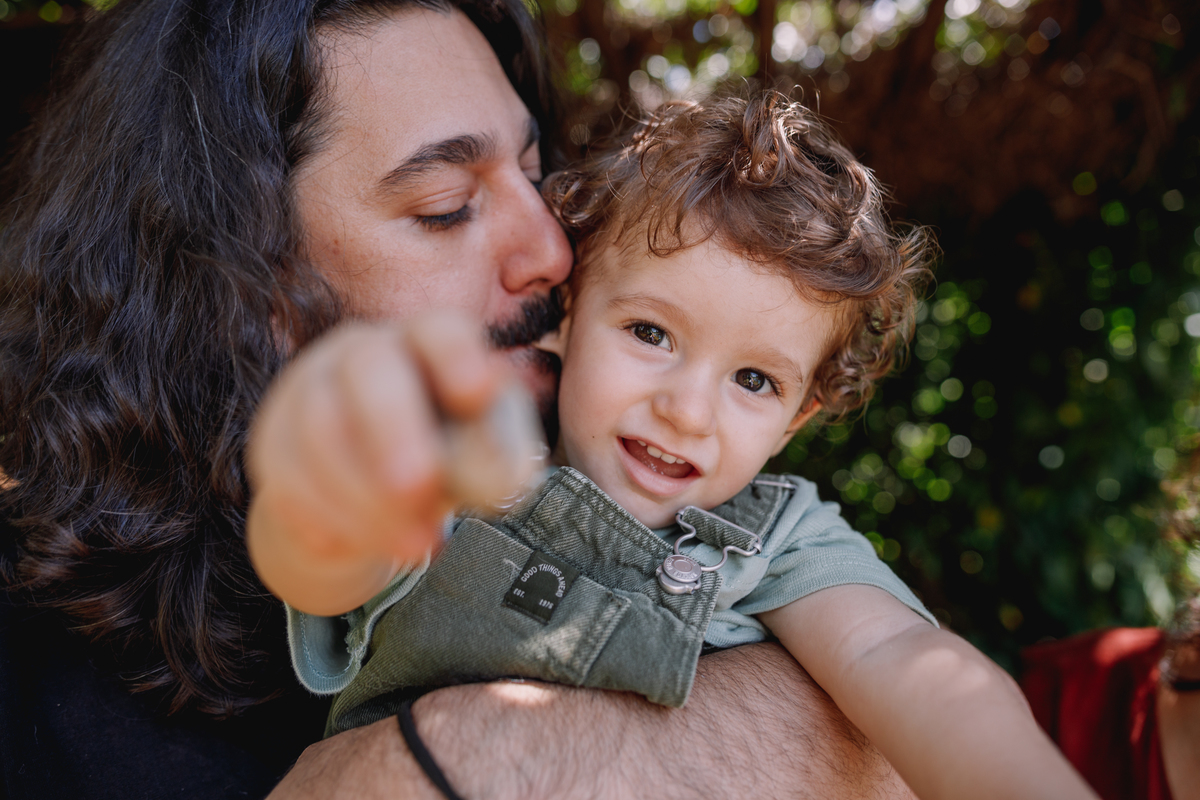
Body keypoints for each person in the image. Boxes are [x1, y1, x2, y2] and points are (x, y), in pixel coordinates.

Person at [0, 1, 919, 797]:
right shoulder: (42, 706)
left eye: (530, 172)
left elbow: (912, 715)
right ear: (245, 288)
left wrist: (472, 758)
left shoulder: (638, 490)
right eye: (445, 207)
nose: (555, 254)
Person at [254, 92, 1103, 800]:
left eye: (754, 382)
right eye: (652, 332)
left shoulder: (780, 540)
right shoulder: (471, 460)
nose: (688, 410)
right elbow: (316, 562)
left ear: (796, 422)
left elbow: (900, 658)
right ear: (571, 313)